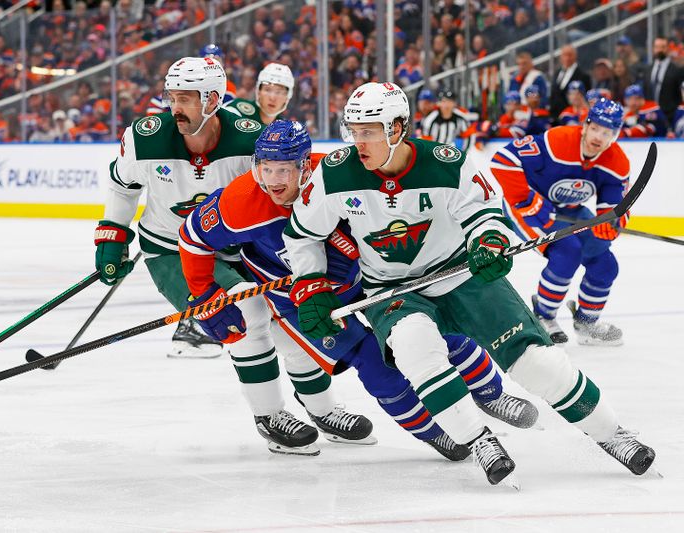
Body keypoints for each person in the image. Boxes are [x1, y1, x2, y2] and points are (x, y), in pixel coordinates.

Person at [282, 82, 656, 485]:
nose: (358, 141)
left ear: (397, 128)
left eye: (368, 131)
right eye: (353, 130)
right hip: (391, 290)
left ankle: (612, 434)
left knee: (537, 361)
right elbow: (302, 235)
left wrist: (489, 239)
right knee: (415, 350)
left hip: (458, 272)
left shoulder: (447, 162)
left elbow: (484, 210)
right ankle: (478, 439)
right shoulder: (335, 173)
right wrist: (310, 285)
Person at [179, 119, 540, 461]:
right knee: (373, 362)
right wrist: (205, 293)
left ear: (305, 166)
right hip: (299, 298)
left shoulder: (337, 176)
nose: (273, 181)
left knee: (440, 329)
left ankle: (491, 394)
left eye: (284, 169)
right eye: (266, 168)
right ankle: (434, 432)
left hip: (365, 277)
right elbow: (193, 237)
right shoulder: (240, 201)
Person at [94, 57, 371, 455]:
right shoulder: (145, 138)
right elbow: (123, 186)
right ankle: (269, 415)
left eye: (186, 98)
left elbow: (280, 196)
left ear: (213, 99)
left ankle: (323, 409)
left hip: (239, 249)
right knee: (248, 317)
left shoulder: (249, 141)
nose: (175, 107)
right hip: (173, 251)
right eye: (172, 97)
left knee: (291, 321)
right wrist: (112, 234)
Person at [491, 97, 634, 348]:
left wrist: (609, 222)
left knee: (605, 263)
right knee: (567, 252)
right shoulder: (557, 141)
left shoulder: (616, 162)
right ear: (586, 125)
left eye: (607, 132)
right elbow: (501, 160)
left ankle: (587, 323)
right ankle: (543, 315)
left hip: (569, 210)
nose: (599, 137)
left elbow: (615, 206)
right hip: (527, 208)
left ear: (616, 134)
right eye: (596, 128)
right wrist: (526, 199)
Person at [223, 63, 295, 125]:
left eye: (279, 92)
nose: (272, 97)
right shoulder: (236, 110)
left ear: (288, 96)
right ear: (258, 91)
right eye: (267, 90)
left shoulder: (285, 130)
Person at [550, 44, 591, 118]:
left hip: (574, 117)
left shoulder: (583, 76)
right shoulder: (557, 73)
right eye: (564, 55)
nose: (567, 58)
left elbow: (586, 98)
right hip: (555, 117)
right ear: (560, 57)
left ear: (575, 56)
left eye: (570, 55)